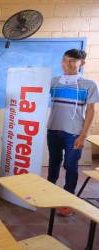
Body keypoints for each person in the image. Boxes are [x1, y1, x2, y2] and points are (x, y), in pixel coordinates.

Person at [47, 49, 99, 216]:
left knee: (71, 166)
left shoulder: (89, 85)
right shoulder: (54, 82)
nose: (67, 64)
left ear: (81, 63)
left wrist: (83, 135)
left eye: (72, 61)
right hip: (53, 129)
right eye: (64, 60)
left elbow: (91, 111)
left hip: (74, 133)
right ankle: (49, 192)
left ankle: (68, 200)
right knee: (54, 162)